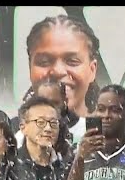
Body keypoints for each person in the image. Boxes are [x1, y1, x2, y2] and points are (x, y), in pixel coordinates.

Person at [23, 15, 100, 145]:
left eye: (72, 61)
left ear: (92, 70)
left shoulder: (106, 135)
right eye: (44, 61)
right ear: (30, 67)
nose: (58, 71)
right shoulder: (9, 135)